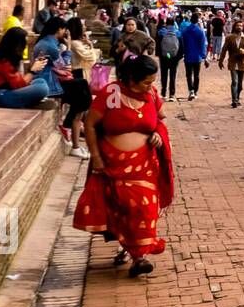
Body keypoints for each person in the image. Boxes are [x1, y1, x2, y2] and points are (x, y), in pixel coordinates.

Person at [73, 54, 174, 278]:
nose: (151, 86)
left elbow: (161, 119)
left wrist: (158, 132)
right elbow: (90, 124)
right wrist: (96, 157)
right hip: (113, 164)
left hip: (144, 164)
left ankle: (140, 257)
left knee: (144, 208)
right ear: (131, 79)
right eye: (146, 82)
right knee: (123, 211)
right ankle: (130, 249)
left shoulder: (152, 95)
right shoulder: (112, 94)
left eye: (152, 81)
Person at [0, 27, 55, 108]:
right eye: (24, 42)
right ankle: (29, 103)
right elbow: (18, 85)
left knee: (41, 81)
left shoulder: (7, 57)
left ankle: (28, 102)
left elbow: (19, 81)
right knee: (42, 88)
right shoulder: (3, 61)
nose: (25, 46)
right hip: (4, 96)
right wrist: (32, 71)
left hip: (10, 91)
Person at [63, 17, 96, 158]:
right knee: (79, 111)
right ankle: (72, 136)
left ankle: (78, 141)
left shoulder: (78, 43)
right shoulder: (75, 44)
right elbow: (91, 58)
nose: (84, 27)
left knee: (83, 111)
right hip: (78, 74)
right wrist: (91, 48)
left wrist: (89, 44)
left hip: (83, 74)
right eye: (81, 25)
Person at [32, 15, 71, 101]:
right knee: (80, 88)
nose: (65, 32)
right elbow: (63, 65)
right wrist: (69, 47)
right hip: (48, 84)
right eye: (64, 29)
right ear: (59, 29)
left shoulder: (45, 41)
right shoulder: (51, 46)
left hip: (45, 79)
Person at [220, 19, 244, 107]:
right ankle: (234, 100)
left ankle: (237, 97)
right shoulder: (229, 38)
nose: (239, 27)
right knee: (234, 81)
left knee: (240, 84)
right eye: (237, 25)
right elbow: (224, 49)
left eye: (241, 26)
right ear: (234, 27)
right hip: (233, 62)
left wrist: (243, 51)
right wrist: (221, 60)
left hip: (242, 63)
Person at [181, 13, 207, 101]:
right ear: (197, 20)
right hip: (197, 57)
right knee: (196, 75)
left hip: (188, 55)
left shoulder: (185, 30)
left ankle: (191, 90)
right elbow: (203, 45)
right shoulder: (200, 31)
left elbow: (182, 43)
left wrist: (183, 53)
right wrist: (204, 57)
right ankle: (195, 91)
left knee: (188, 75)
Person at [156, 18, 182, 101]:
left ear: (166, 23)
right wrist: (178, 56)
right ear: (174, 23)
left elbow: (158, 45)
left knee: (164, 75)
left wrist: (160, 55)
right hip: (174, 57)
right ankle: (172, 94)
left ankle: (163, 93)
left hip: (164, 57)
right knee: (172, 75)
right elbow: (181, 46)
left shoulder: (161, 32)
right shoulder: (178, 33)